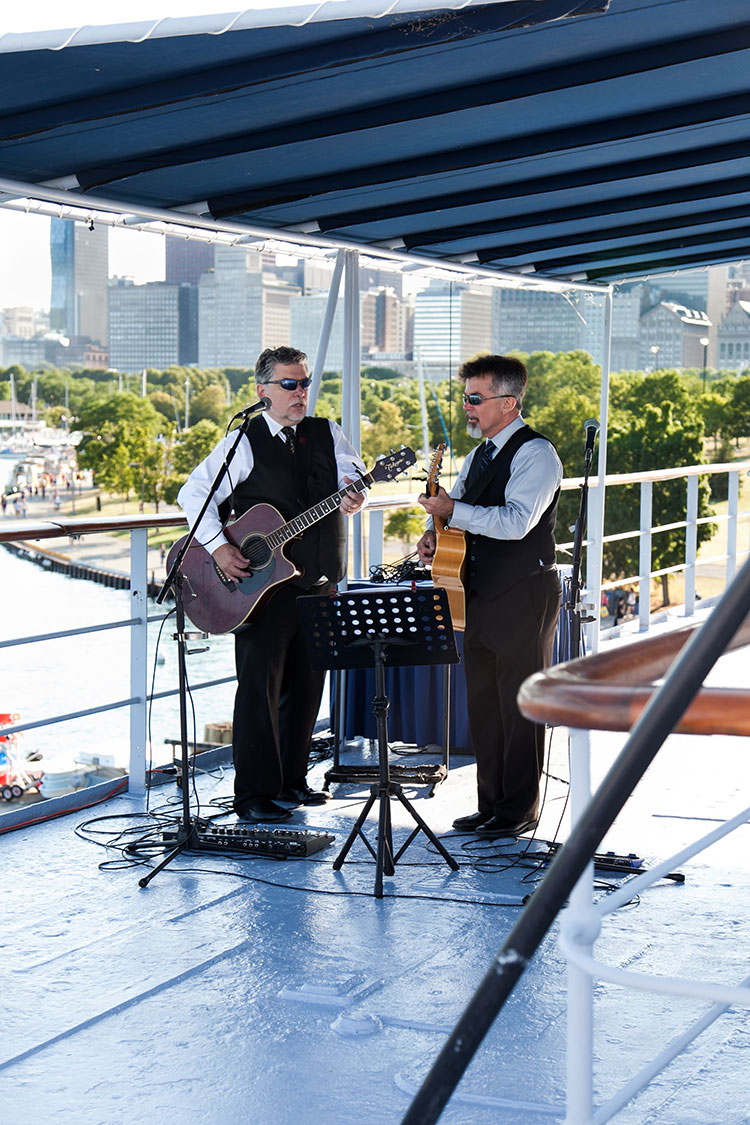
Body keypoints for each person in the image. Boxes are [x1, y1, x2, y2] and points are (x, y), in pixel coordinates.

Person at [178, 346, 366, 824]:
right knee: (259, 689)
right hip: (261, 589)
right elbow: (194, 493)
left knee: (306, 687)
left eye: (303, 383)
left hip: (319, 580)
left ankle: (292, 782)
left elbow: (353, 474)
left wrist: (356, 494)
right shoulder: (243, 440)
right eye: (289, 384)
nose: (300, 392)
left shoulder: (328, 432)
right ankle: (254, 795)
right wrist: (219, 547)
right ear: (262, 391)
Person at [417, 355, 562, 839]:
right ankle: (491, 803)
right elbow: (456, 513)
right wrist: (435, 533)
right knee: (483, 702)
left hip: (524, 592)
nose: (467, 407)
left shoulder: (536, 454)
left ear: (508, 402)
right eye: (465, 398)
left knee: (517, 703)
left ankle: (519, 809)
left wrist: (453, 509)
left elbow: (516, 522)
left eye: (476, 399)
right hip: (478, 593)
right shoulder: (479, 456)